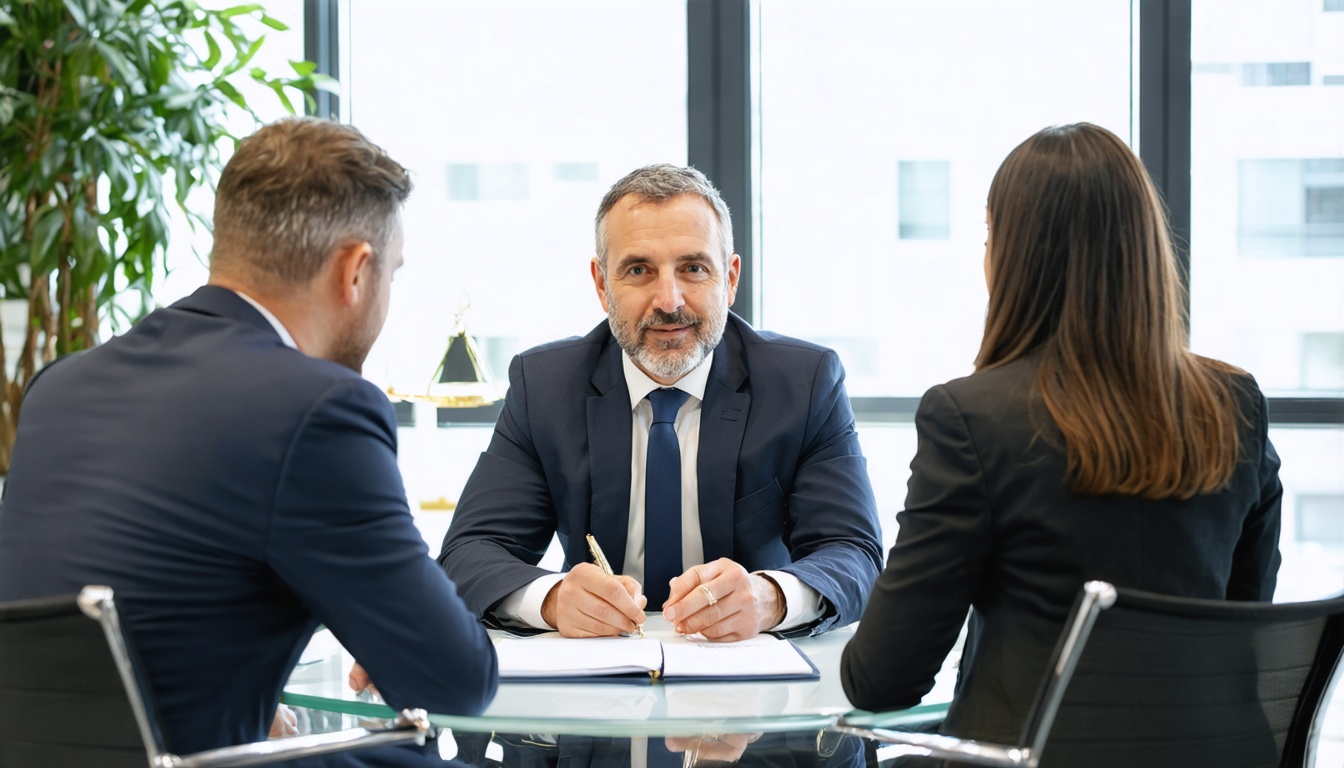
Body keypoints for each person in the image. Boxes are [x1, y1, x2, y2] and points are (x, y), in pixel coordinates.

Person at [0, 117, 497, 765]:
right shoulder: (318, 408)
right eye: (393, 276)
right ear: (355, 271)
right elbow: (454, 680)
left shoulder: (60, 387)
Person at [841, 123, 1282, 744]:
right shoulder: (1235, 405)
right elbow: (1241, 625)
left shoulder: (972, 419)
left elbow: (881, 681)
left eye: (991, 235)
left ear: (1016, 257)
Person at [439, 164, 882, 641]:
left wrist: (769, 598)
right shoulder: (544, 386)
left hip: (754, 681)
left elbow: (854, 552)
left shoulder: (804, 383)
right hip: (594, 683)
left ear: (730, 279)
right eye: (638, 270)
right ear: (602, 284)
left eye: (693, 268)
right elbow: (470, 551)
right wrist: (551, 600)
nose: (669, 301)